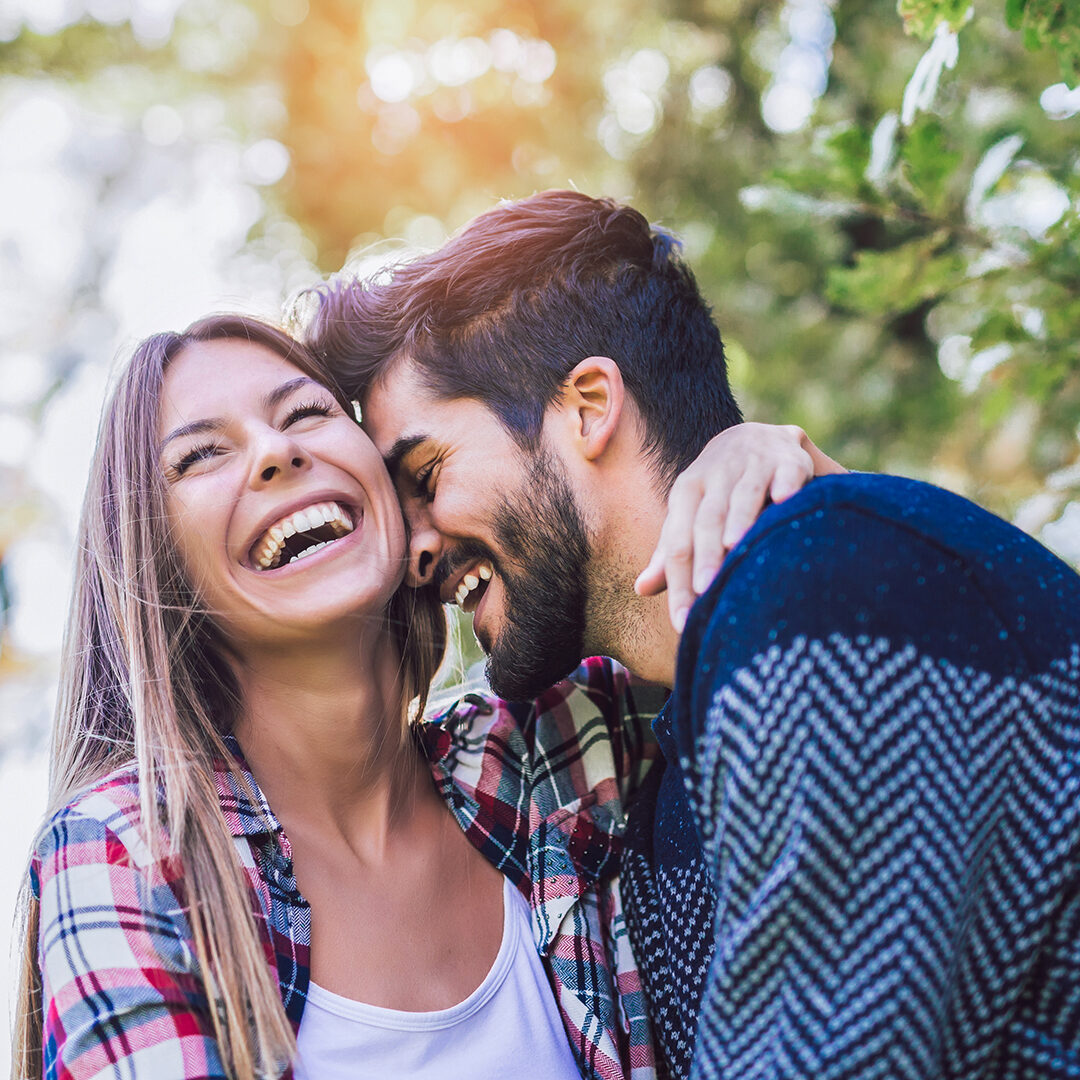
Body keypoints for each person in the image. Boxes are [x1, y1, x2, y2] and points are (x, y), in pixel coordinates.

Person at [305, 190, 1080, 1080]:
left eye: (427, 474)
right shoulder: (657, 741)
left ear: (590, 407)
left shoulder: (824, 584)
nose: (413, 550)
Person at [14, 313, 824, 1080]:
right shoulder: (128, 853)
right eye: (199, 456)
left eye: (304, 413)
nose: (274, 452)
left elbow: (816, 661)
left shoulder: (550, 750)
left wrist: (759, 475)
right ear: (157, 562)